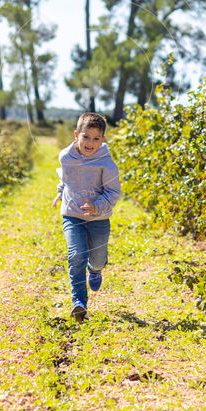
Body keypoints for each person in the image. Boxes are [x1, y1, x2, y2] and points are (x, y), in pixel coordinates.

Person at [52, 111, 121, 321]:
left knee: (97, 259)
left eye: (96, 138)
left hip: (99, 219)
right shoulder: (66, 157)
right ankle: (79, 302)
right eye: (86, 137)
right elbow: (66, 178)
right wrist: (59, 193)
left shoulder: (107, 165)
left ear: (103, 140)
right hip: (72, 216)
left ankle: (96, 270)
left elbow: (113, 192)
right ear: (76, 135)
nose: (90, 143)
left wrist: (96, 206)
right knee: (76, 254)